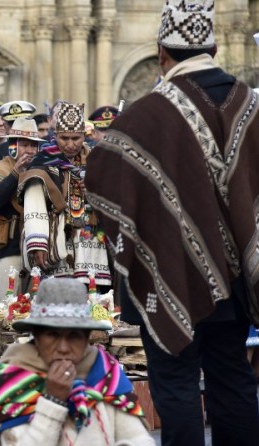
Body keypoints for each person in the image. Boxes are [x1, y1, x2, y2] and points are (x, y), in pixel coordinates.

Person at [85, 1, 259, 445]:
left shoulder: (147, 114)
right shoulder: (250, 105)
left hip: (171, 273)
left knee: (178, 383)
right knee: (234, 377)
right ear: (215, 48)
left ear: (163, 52)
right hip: (241, 276)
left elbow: (101, 169)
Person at [0, 278, 154, 446]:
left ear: (87, 339)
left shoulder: (105, 373)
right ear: (36, 336)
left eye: (74, 336)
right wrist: (53, 401)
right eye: (52, 335)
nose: (63, 348)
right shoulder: (10, 379)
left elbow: (138, 438)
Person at [21, 102, 111, 287]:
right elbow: (34, 203)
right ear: (55, 135)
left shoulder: (97, 160)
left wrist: (97, 192)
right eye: (64, 138)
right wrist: (38, 243)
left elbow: (114, 196)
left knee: (94, 301)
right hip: (56, 240)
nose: (70, 144)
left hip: (90, 243)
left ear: (84, 135)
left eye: (76, 138)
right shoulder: (42, 160)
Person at [0, 117, 43, 298]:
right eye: (24, 145)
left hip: (39, 248)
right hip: (10, 245)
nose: (29, 150)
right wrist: (15, 174)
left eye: (33, 145)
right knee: (9, 303)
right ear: (12, 145)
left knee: (36, 305)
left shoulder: (43, 169)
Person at [0, 100, 37, 175]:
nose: (17, 128)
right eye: (12, 124)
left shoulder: (42, 151)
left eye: (22, 123)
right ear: (5, 126)